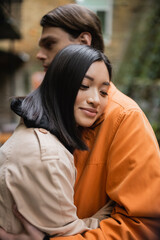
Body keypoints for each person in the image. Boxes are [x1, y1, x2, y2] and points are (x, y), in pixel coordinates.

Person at [0, 3, 160, 240]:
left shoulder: (124, 118)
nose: (39, 55)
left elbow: (143, 225)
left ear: (84, 43)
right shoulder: (45, 125)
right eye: (84, 87)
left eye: (50, 44)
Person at [0, 44, 113, 236]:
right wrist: (115, 209)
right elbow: (70, 236)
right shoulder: (47, 156)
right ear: (59, 86)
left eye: (103, 92)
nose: (95, 99)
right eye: (83, 86)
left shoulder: (34, 133)